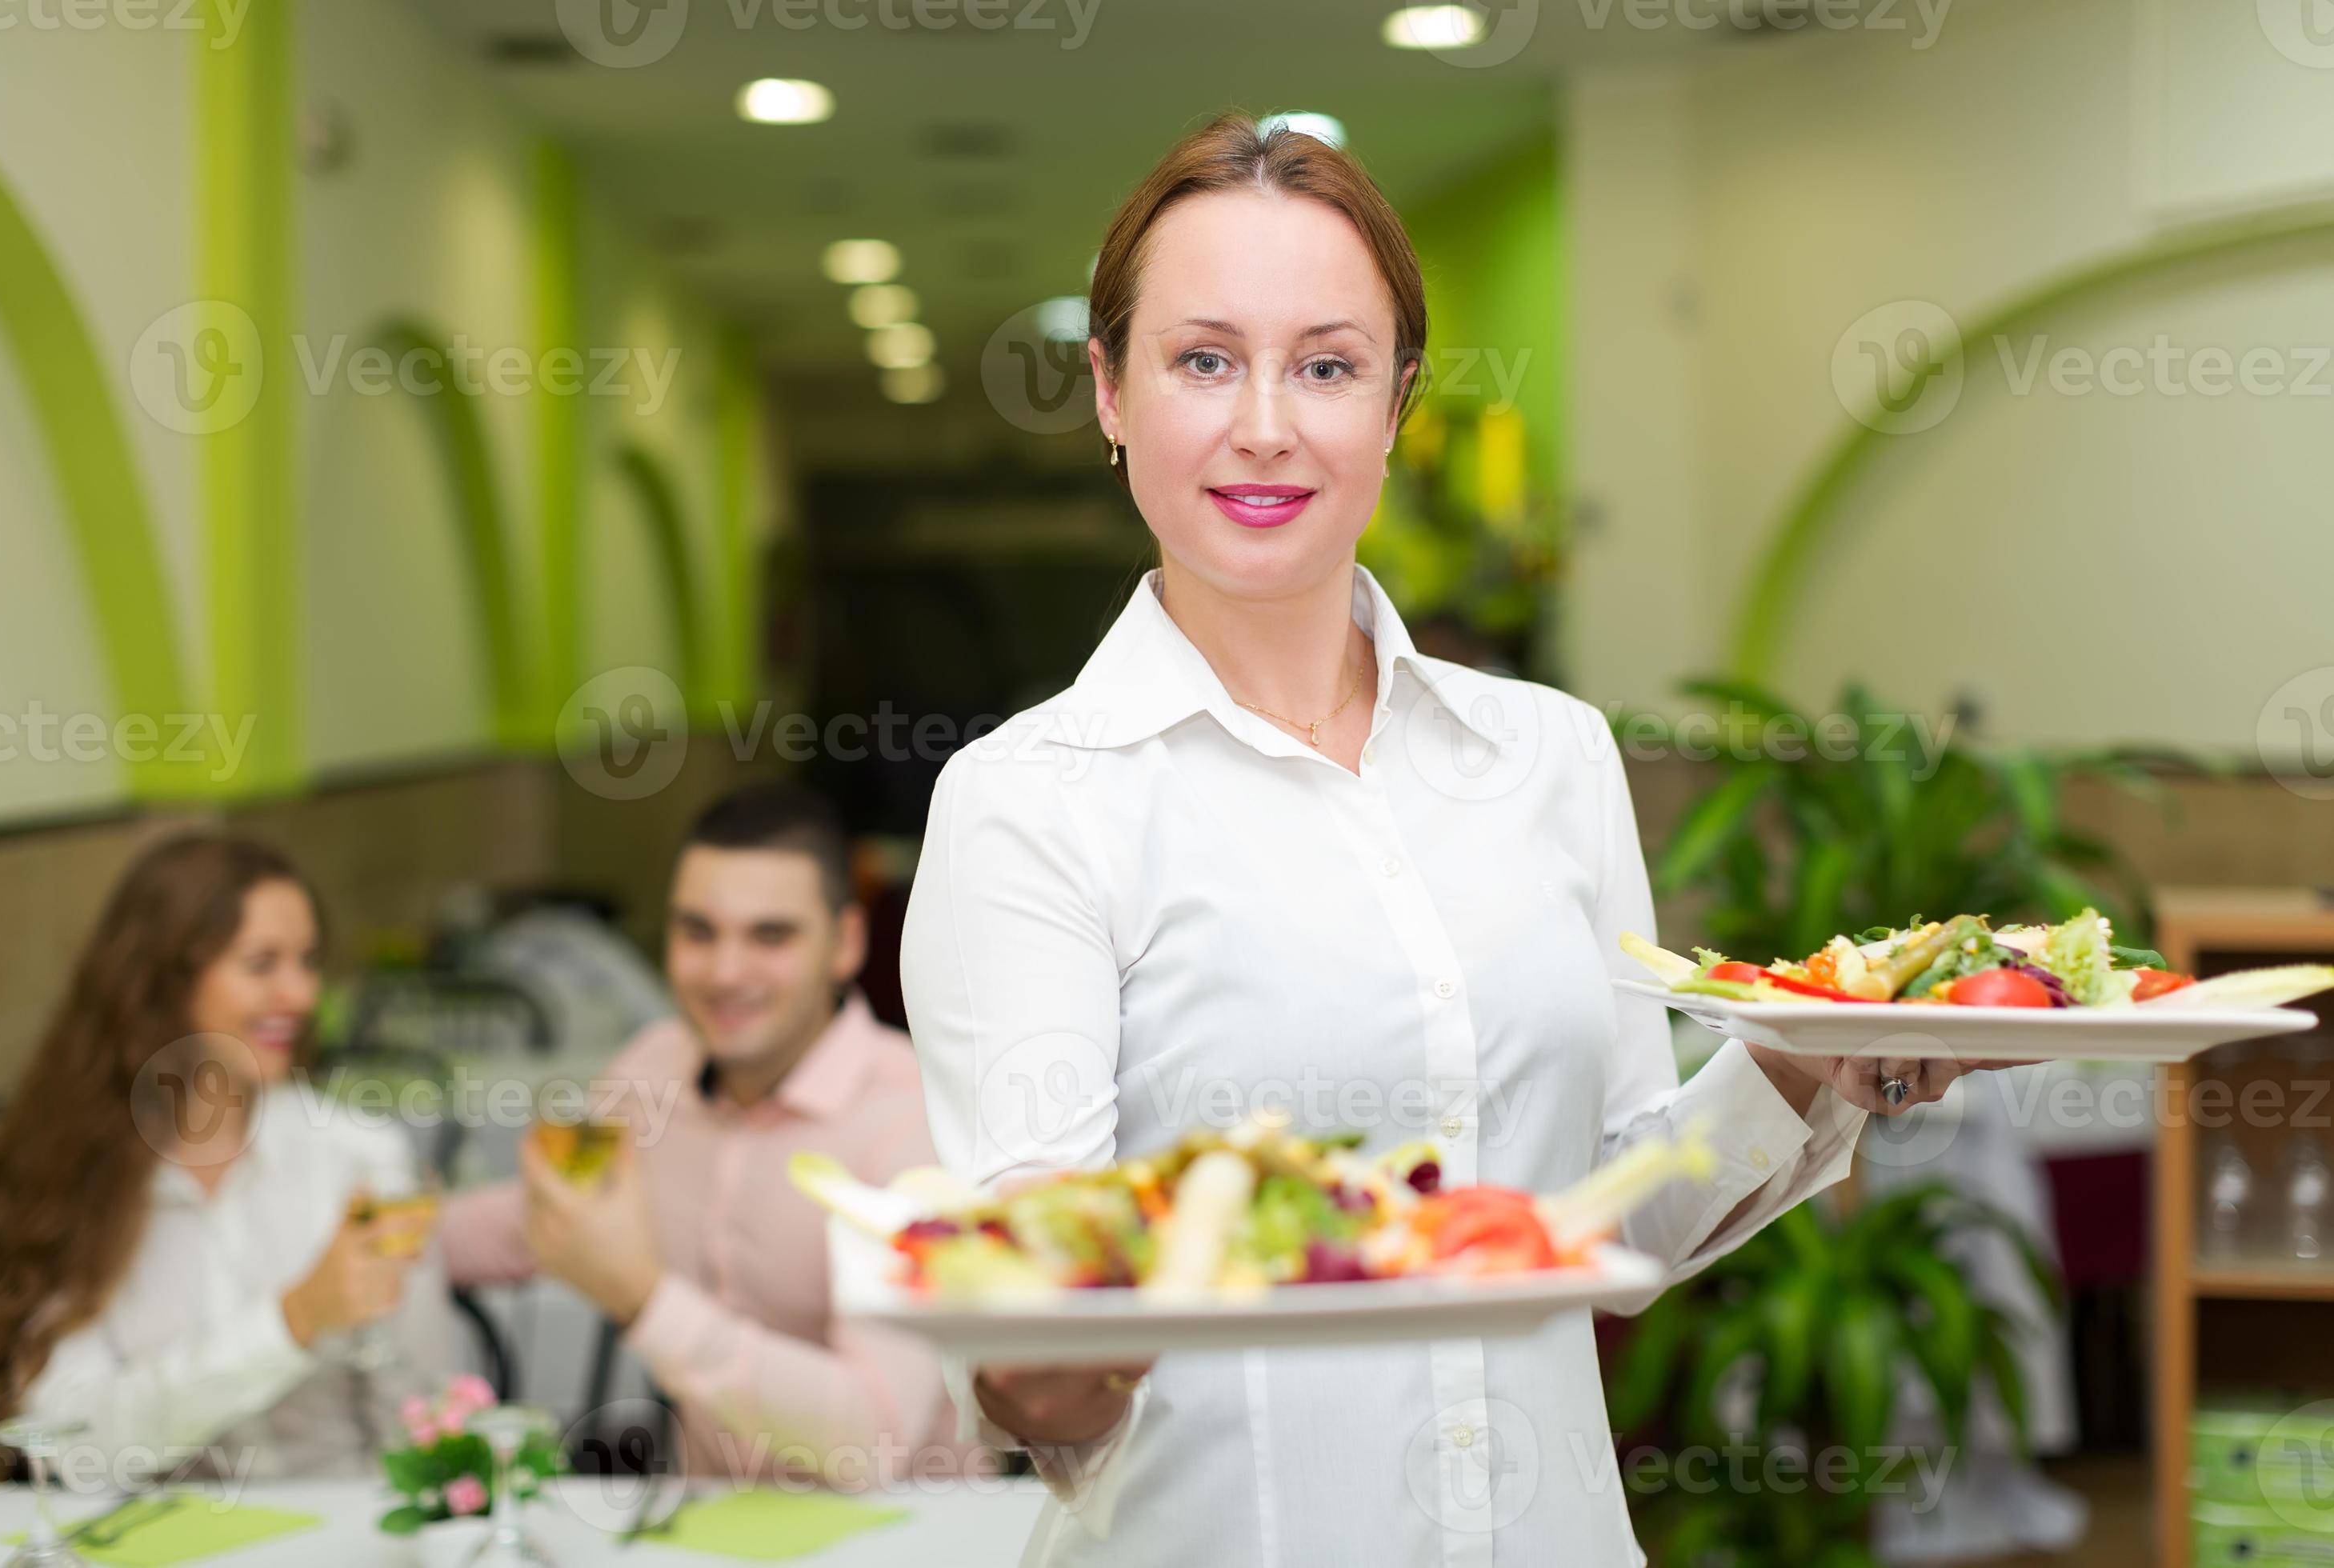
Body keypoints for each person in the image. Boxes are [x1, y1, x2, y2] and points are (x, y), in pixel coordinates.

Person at [899, 113, 2008, 1566]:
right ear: (1109, 391)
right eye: (1204, 359)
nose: (1266, 425)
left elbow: (1612, 1231)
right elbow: (1036, 1348)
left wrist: (1807, 1058)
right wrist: (1043, 1352)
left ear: (1398, 404)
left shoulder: (1548, 755)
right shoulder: (1030, 801)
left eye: (1329, 364)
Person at [441, 782, 962, 1482]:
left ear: (846, 944)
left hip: (910, 1541)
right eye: (697, 931)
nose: (724, 972)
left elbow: (875, 1439)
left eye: (769, 936)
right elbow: (542, 1220)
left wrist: (644, 1300)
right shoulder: (651, 1071)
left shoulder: (911, 1123)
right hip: (714, 1532)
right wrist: (373, 1230)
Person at [0, 834, 449, 1482]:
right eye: (261, 964)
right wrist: (292, 1322)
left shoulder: (358, 1156)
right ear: (164, 980)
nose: (301, 995)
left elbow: (427, 1420)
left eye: (308, 961)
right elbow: (76, 1450)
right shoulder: (66, 1173)